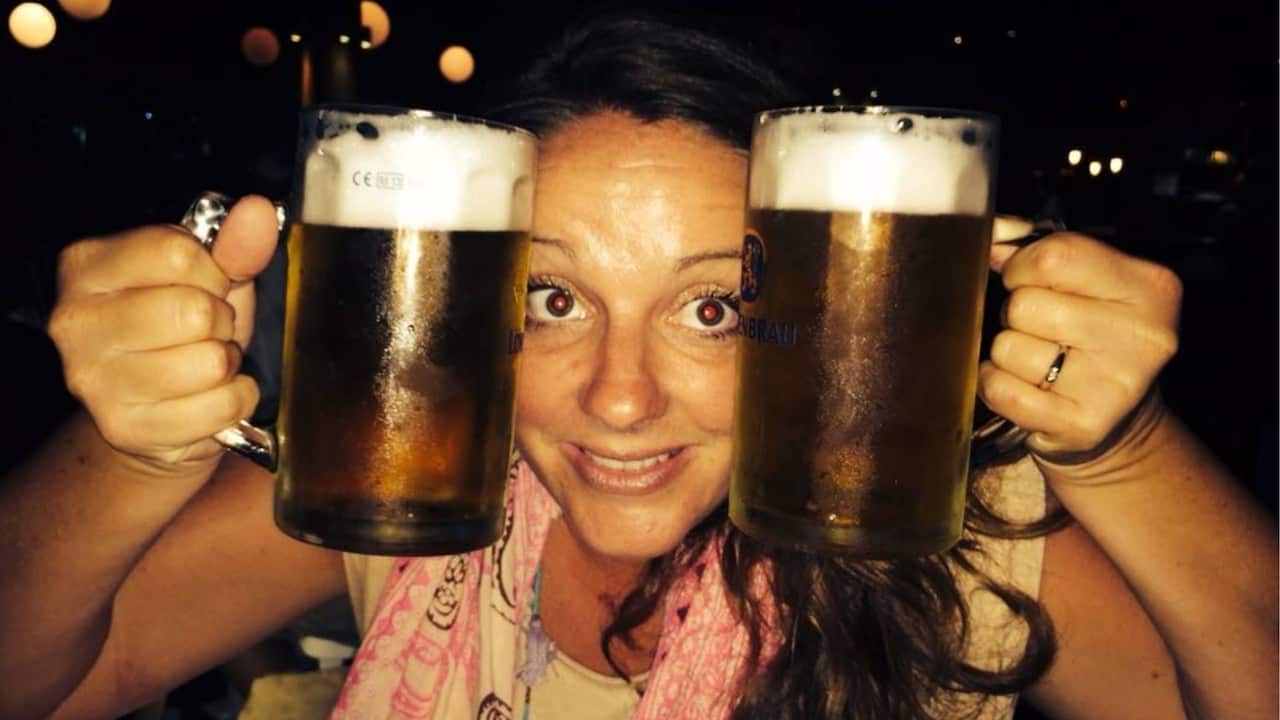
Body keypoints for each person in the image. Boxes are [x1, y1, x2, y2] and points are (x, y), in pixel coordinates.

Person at [1, 13, 1275, 720]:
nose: (620, 398)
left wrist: (1124, 450)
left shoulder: (936, 536)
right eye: (553, 298)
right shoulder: (421, 484)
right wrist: (128, 451)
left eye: (713, 308)